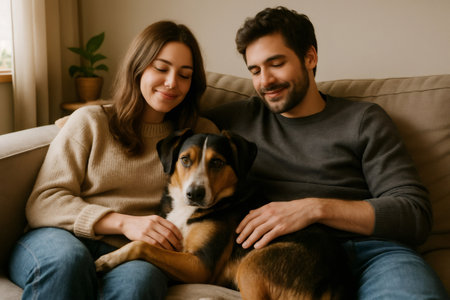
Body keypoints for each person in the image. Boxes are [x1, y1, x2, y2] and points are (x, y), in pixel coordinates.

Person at [205, 6, 448, 299]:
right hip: (289, 258)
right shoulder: (233, 122)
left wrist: (314, 209)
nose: (265, 81)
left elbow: (414, 214)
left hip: (373, 254)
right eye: (255, 70)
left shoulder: (363, 119)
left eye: (276, 63)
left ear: (310, 57)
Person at [9, 21, 218, 300]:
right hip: (59, 237)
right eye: (161, 68)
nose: (172, 82)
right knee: (67, 263)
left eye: (185, 75)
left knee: (138, 286)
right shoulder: (91, 121)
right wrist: (123, 222)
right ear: (138, 67)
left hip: (134, 254)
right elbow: (43, 201)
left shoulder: (201, 136)